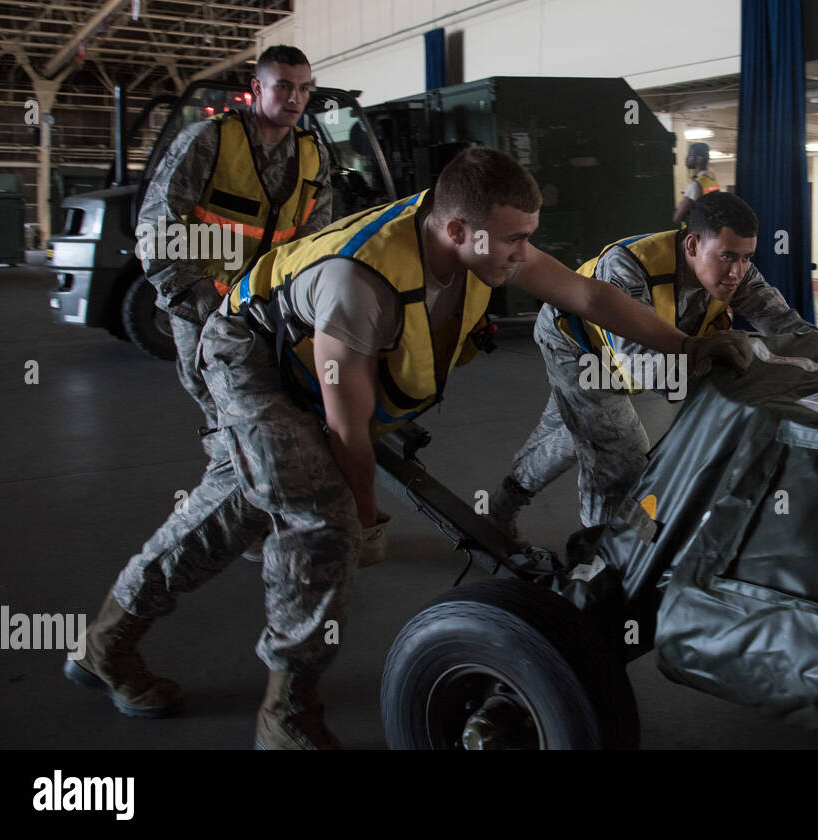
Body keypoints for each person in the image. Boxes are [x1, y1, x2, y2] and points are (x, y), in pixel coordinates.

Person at [65, 147, 753, 749]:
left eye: (527, 239)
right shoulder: (358, 284)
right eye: (513, 240)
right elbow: (346, 427)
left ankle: (105, 646)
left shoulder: (479, 243)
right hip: (252, 360)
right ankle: (287, 716)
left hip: (313, 363)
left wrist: (689, 347)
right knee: (320, 522)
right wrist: (363, 513)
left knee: (230, 512)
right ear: (457, 230)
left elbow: (590, 297)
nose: (523, 254)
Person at [489, 190, 817, 537]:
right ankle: (597, 558)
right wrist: (710, 360)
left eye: (747, 258)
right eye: (727, 256)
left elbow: (789, 327)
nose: (737, 272)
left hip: (617, 355)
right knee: (619, 453)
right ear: (692, 246)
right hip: (576, 348)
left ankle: (502, 503)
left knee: (579, 431)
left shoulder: (736, 275)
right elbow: (644, 368)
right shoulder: (628, 265)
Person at [136, 45, 332, 565]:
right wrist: (202, 304)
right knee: (228, 424)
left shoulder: (313, 156)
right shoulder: (208, 141)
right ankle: (225, 528)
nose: (295, 98)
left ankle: (259, 513)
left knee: (278, 418)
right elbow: (158, 228)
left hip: (268, 315)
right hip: (203, 311)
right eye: (285, 86)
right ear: (257, 87)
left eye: (305, 88)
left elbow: (314, 242)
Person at [671, 141, 720, 225]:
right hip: (709, 229)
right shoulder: (712, 181)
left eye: (690, 155)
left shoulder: (695, 185)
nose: (686, 158)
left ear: (699, 159)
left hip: (694, 232)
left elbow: (677, 218)